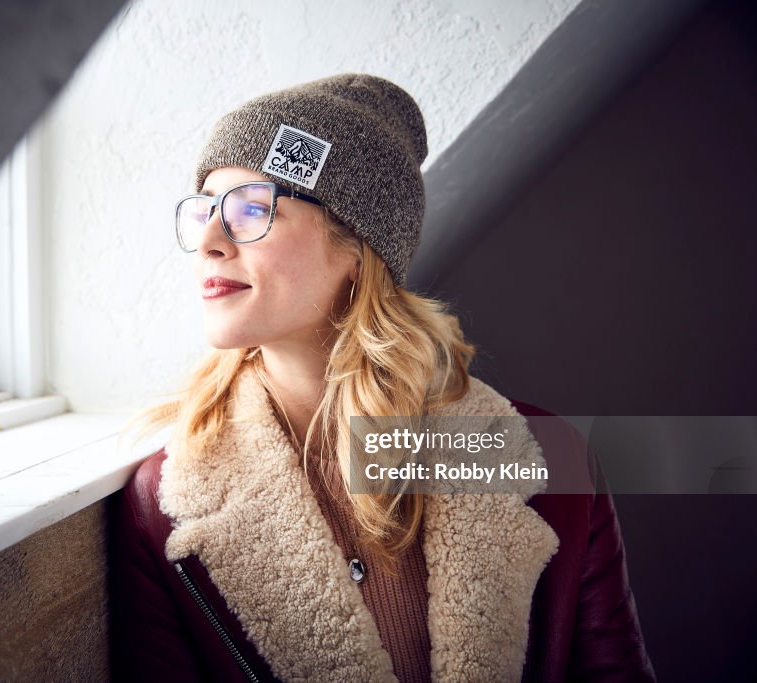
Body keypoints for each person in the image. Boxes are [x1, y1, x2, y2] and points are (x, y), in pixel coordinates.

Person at [108, 74, 654, 682]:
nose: (209, 240)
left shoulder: (548, 463)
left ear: (356, 248)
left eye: (252, 209)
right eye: (206, 210)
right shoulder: (165, 506)